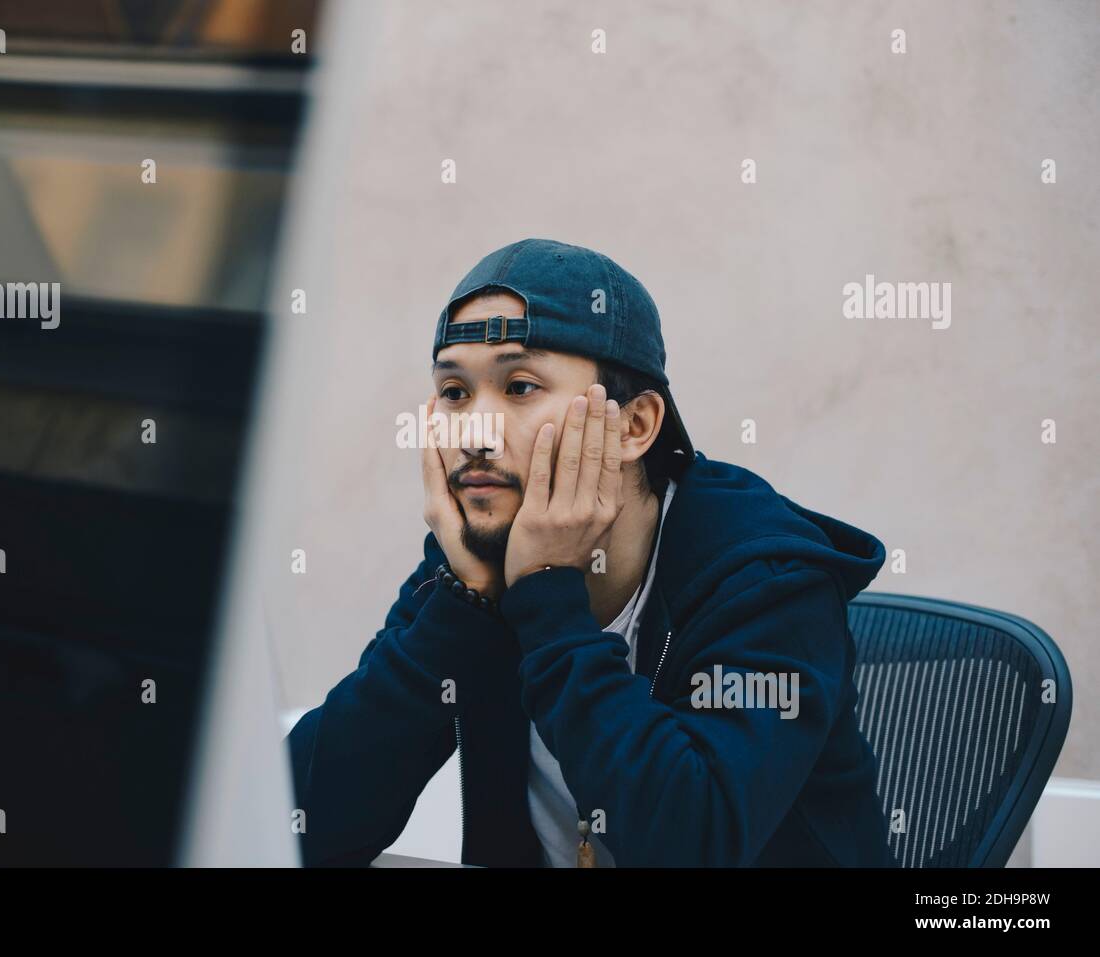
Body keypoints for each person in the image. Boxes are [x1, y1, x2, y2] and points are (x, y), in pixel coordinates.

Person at [287, 237, 895, 867]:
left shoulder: (770, 583)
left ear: (635, 427)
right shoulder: (473, 565)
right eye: (454, 392)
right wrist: (463, 609)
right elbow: (297, 827)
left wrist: (549, 597)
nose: (473, 429)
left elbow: (691, 843)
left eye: (520, 387)